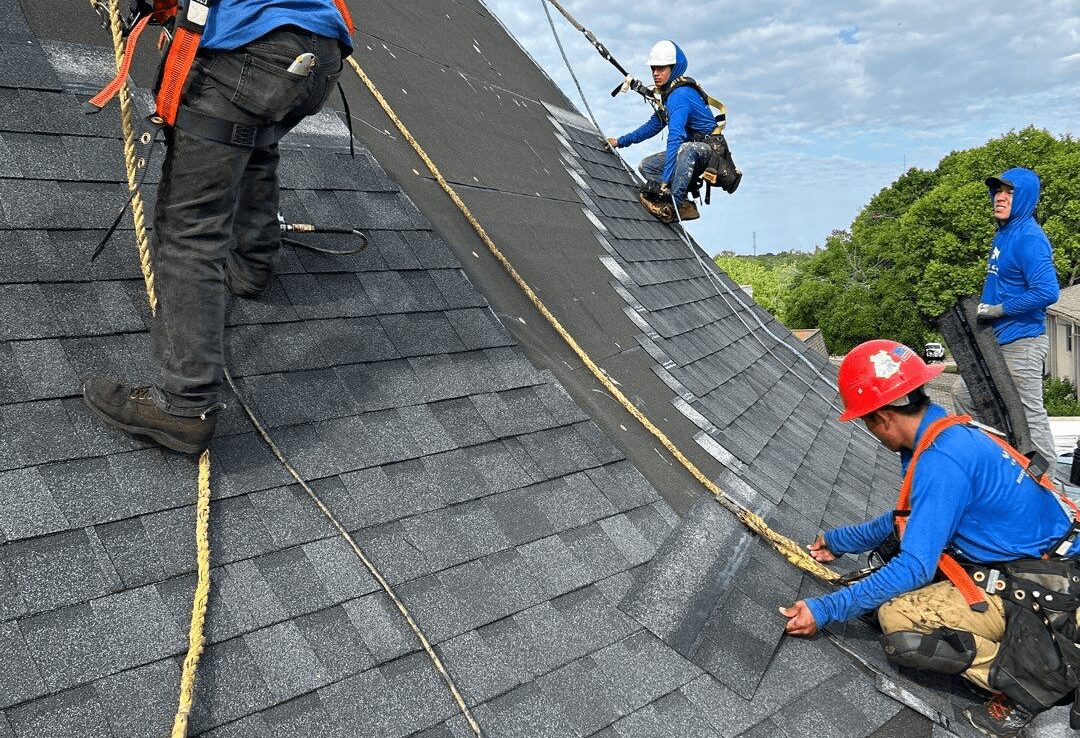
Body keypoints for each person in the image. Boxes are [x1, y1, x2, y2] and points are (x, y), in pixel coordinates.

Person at [82, 0, 354, 454]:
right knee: (253, 143)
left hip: (253, 52)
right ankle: (252, 264)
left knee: (192, 230)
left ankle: (184, 407)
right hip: (318, 55)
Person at [781, 340, 1080, 737]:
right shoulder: (949, 431)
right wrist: (841, 540)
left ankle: (1036, 676)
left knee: (898, 618)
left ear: (882, 418)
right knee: (888, 584)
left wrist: (826, 609)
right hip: (1052, 567)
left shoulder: (942, 460)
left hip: (1049, 594)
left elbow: (915, 565)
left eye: (867, 423)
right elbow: (916, 518)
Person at [952, 167, 1060, 470]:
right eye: (997, 191)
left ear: (1024, 197)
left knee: (1028, 414)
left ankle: (1052, 489)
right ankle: (997, 465)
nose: (1000, 198)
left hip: (1022, 341)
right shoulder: (1005, 233)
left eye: (1009, 192)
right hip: (997, 340)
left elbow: (1048, 291)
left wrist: (999, 310)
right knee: (965, 395)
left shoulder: (1029, 238)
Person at [606, 40, 727, 224]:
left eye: (661, 68)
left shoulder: (680, 96)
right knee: (646, 166)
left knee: (685, 149)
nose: (655, 73)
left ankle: (675, 206)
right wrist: (620, 141)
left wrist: (663, 183)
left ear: (674, 68)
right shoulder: (669, 95)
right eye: (653, 68)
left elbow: (675, 139)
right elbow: (653, 126)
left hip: (708, 152)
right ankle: (683, 202)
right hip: (688, 150)